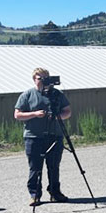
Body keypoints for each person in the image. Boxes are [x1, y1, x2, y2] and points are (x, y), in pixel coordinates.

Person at [14, 68, 72, 205]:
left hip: (55, 135)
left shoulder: (57, 94)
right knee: (35, 167)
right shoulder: (27, 95)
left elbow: (68, 111)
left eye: (47, 78)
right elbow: (17, 115)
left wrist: (59, 117)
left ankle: (55, 193)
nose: (44, 81)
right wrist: (34, 114)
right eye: (41, 78)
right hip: (34, 137)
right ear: (34, 79)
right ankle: (35, 194)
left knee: (53, 166)